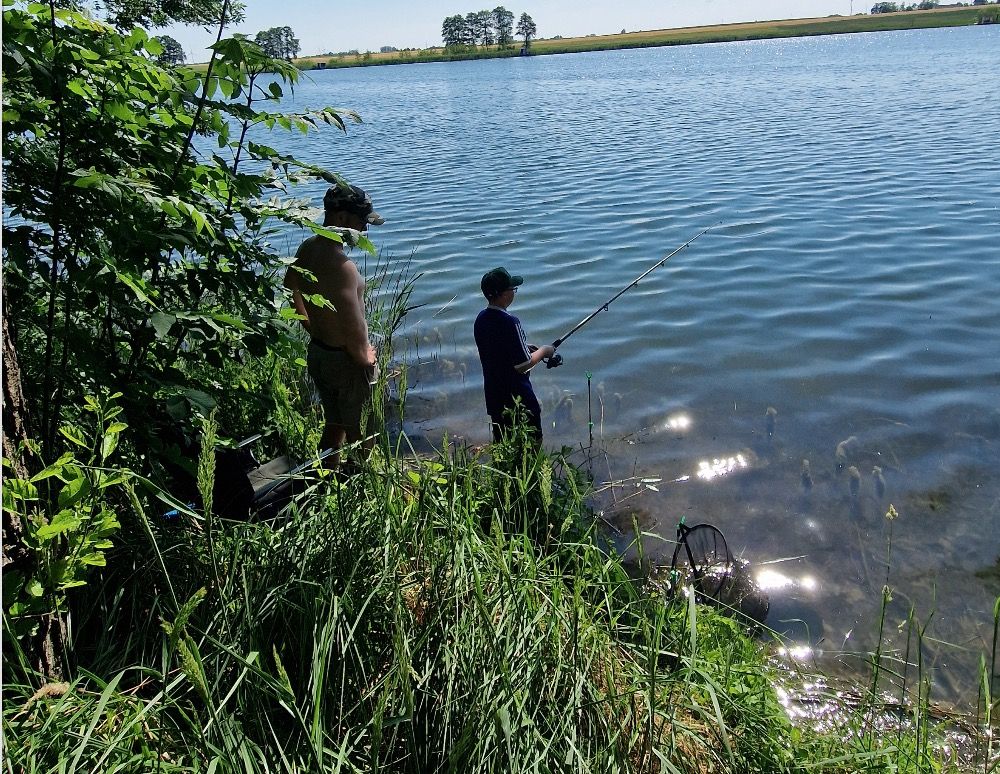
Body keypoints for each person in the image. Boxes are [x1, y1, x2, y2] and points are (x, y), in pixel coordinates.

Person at [283, 182, 385, 469]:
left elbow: (290, 287)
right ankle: (363, 486)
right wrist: (363, 357)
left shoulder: (307, 249)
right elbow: (353, 325)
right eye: (362, 222)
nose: (364, 230)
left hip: (319, 352)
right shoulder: (343, 267)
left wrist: (310, 327)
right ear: (341, 219)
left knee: (334, 424)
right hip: (346, 361)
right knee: (363, 433)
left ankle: (326, 477)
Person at [474, 266, 556, 444]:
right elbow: (522, 365)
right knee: (533, 440)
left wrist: (522, 346)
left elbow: (495, 348)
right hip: (518, 396)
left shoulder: (481, 319)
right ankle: (530, 470)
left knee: (502, 441)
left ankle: (504, 469)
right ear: (503, 294)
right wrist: (544, 351)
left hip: (494, 395)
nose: (514, 292)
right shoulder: (511, 322)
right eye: (512, 289)